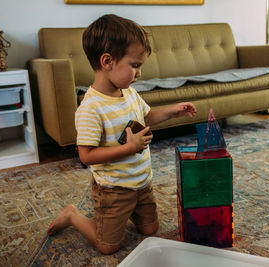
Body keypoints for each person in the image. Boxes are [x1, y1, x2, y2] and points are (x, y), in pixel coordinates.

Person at [47, 14, 196, 254]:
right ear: (107, 61)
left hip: (142, 182)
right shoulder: (90, 108)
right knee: (108, 247)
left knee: (151, 229)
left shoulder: (130, 94)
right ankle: (73, 215)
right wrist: (129, 148)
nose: (139, 73)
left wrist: (172, 112)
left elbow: (145, 118)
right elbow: (86, 156)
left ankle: (126, 216)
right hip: (114, 190)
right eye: (135, 65)